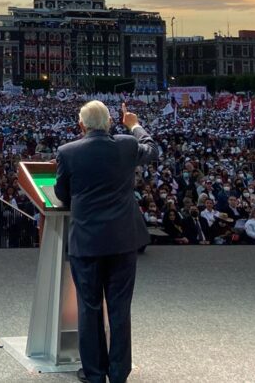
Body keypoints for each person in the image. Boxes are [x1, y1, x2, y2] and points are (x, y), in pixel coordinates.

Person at [55, 101, 161, 383]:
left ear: (81, 125)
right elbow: (152, 149)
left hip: (87, 242)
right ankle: (118, 373)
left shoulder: (67, 152)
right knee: (119, 308)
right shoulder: (126, 145)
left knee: (89, 309)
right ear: (110, 123)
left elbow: (62, 192)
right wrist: (134, 124)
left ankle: (93, 373)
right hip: (122, 241)